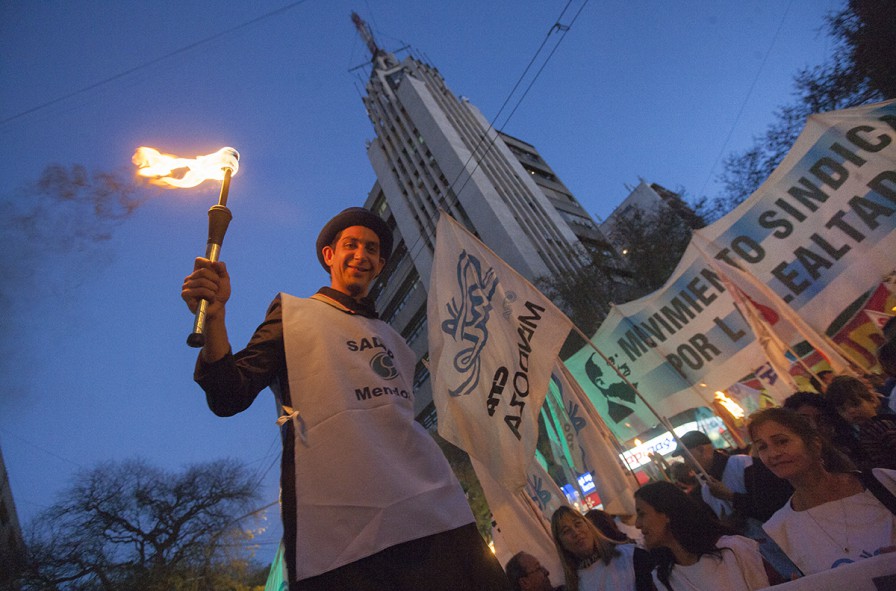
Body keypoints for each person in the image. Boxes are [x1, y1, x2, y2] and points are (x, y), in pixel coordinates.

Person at [181, 207, 510, 590]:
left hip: (435, 514)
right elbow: (229, 394)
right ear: (329, 256)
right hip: (344, 536)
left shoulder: (397, 342)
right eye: (350, 245)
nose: (361, 255)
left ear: (380, 265)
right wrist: (217, 318)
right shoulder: (293, 314)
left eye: (371, 249)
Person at [749, 407, 896, 575]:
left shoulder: (882, 483)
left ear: (815, 444)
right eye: (762, 447)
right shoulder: (777, 530)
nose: (773, 453)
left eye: (782, 441)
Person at [634, 481, 772, 590]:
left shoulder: (733, 549)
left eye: (642, 514)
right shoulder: (663, 578)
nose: (637, 524)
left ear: (666, 514)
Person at [550, 505, 655, 591]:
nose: (576, 532)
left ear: (589, 526)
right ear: (561, 544)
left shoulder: (631, 556)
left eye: (578, 524)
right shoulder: (574, 585)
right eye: (566, 531)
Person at [825, 375, 896, 470]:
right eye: (843, 409)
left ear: (872, 400)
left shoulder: (879, 425)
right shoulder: (866, 430)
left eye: (855, 403)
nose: (851, 411)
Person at [782, 390, 865, 467]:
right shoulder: (797, 467)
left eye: (821, 419)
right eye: (805, 421)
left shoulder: (853, 448)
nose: (814, 426)